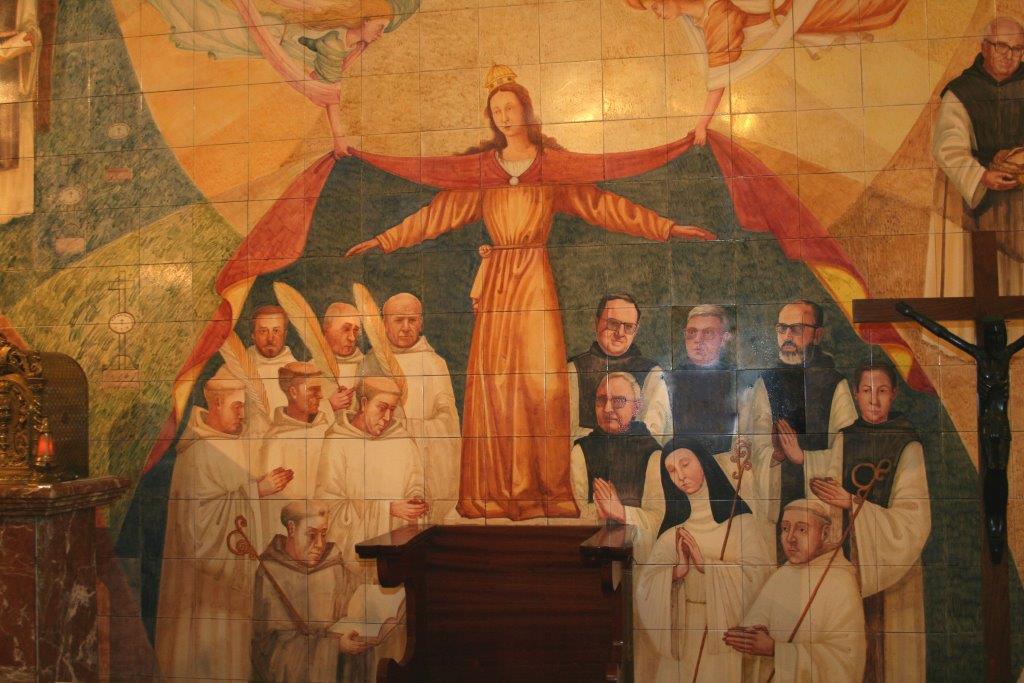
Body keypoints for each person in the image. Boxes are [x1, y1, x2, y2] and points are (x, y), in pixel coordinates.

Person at [345, 65, 714, 520]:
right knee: (496, 385)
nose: (503, 116)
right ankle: (495, 492)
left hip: (535, 281)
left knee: (541, 385)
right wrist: (385, 239)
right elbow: (436, 214)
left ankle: (541, 490)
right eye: (496, 110)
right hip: (499, 282)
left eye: (510, 108)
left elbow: (605, 206)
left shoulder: (550, 169)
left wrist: (666, 227)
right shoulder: (484, 173)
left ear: (527, 111)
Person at [778, 363, 930, 682]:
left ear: (894, 394)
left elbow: (913, 520)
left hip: (893, 565)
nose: (873, 400)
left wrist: (852, 502)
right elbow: (829, 486)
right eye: (866, 391)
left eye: (882, 391)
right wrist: (804, 461)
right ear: (856, 395)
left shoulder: (908, 443)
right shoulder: (846, 438)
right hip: (848, 562)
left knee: (889, 658)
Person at [155, 367, 289, 680]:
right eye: (236, 406)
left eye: (243, 406)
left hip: (230, 586)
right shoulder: (198, 450)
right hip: (203, 588)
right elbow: (200, 526)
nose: (242, 414)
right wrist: (258, 490)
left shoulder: (233, 441)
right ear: (216, 404)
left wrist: (257, 488)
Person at [626, 0, 909, 144]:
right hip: (799, 13)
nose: (657, 14)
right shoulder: (707, 16)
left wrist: (702, 124)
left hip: (811, 11)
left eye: (656, 5)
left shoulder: (718, 20)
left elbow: (719, 79)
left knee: (874, 7)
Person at [635, 437, 771, 682]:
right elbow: (645, 588)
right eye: (672, 470)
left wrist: (706, 566)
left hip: (723, 635)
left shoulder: (741, 524)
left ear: (703, 463)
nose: (680, 476)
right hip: (682, 634)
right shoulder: (671, 535)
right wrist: (677, 572)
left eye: (685, 464)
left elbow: (759, 578)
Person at [746, 299, 857, 562]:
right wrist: (775, 455)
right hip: (779, 498)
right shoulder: (766, 382)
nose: (787, 337)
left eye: (796, 329)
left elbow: (848, 451)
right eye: (782, 329)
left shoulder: (834, 383)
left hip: (820, 505)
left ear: (817, 335)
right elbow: (755, 447)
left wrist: (803, 457)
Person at [930, 16, 1024, 299]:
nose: (1009, 55)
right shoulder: (961, 92)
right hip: (978, 200)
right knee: (985, 285)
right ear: (984, 47)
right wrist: (982, 176)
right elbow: (948, 147)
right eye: (1001, 46)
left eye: (1017, 49)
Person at [724, 499, 866, 682]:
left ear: (824, 533)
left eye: (802, 530)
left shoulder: (840, 581)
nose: (790, 538)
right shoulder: (782, 575)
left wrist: (776, 649)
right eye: (785, 528)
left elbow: (845, 659)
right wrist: (753, 631)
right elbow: (758, 619)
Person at [251, 501, 367, 682]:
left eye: (323, 534)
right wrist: (333, 647)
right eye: (311, 535)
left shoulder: (333, 565)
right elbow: (273, 647)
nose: (320, 544)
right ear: (291, 529)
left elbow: (355, 607)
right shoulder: (270, 572)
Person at [382, 292, 462, 522]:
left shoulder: (435, 364)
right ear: (385, 323)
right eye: (399, 320)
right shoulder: (372, 363)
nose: (406, 327)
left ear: (421, 323)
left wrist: (411, 428)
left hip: (427, 462)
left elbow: (447, 420)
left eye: (412, 320)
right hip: (387, 461)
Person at [568, 373, 665, 557]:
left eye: (618, 401)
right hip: (595, 553)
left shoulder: (653, 454)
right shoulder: (581, 451)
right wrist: (603, 513)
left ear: (636, 407)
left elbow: (659, 519)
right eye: (601, 400)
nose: (607, 409)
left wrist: (621, 512)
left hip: (642, 555)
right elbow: (580, 513)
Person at [568, 294, 672, 445]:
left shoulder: (652, 373)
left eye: (628, 327)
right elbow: (563, 432)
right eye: (613, 323)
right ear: (596, 323)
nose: (620, 333)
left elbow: (654, 435)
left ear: (636, 331)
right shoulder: (572, 369)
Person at [256, 362, 332, 544]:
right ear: (293, 392)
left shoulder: (327, 429)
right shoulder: (276, 440)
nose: (321, 396)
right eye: (313, 390)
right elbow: (273, 508)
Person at [669, 304, 737, 456]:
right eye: (692, 332)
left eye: (708, 333)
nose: (697, 340)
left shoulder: (735, 378)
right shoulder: (670, 380)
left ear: (724, 338)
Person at [246, 305, 299, 419]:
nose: (270, 338)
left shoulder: (299, 370)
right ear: (253, 335)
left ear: (285, 334)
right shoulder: (237, 366)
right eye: (263, 331)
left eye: (276, 331)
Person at [322, 301, 366, 414]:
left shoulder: (368, 365)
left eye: (355, 331)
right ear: (327, 330)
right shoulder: (310, 368)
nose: (352, 338)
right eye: (346, 329)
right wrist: (329, 406)